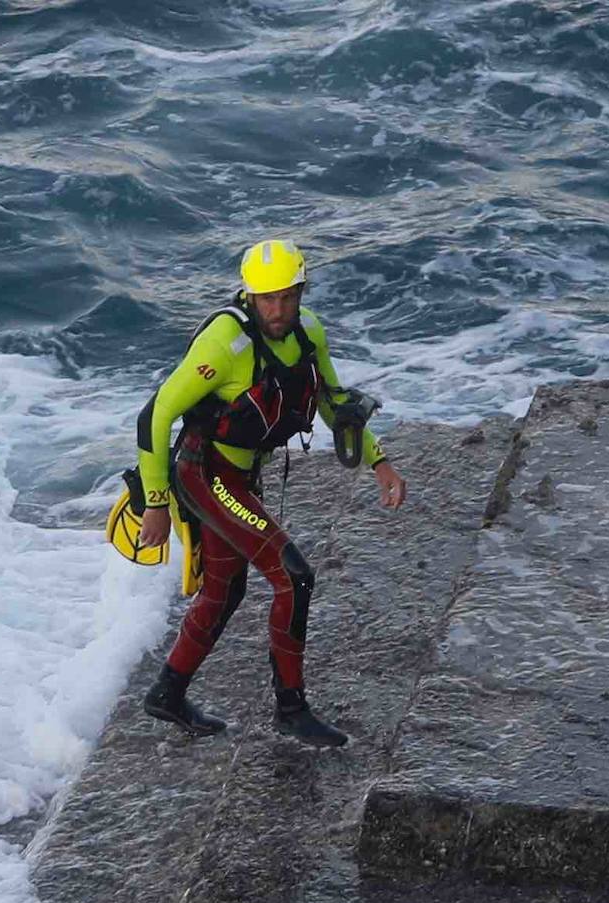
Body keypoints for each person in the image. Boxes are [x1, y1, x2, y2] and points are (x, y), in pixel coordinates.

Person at [133, 238, 407, 747]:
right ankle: (291, 709)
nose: (277, 310)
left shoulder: (308, 334)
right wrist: (156, 505)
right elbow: (156, 414)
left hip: (240, 477)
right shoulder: (224, 344)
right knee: (295, 577)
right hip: (205, 475)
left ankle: (167, 694)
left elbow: (333, 405)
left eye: (286, 296)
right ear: (249, 296)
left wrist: (379, 461)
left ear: (301, 291)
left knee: (226, 588)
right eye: (266, 299)